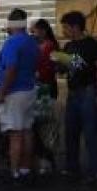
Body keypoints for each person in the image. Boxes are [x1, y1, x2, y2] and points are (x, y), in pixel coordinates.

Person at [57, 11, 97, 184]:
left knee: (90, 133)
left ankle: (95, 171)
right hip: (72, 93)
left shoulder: (93, 45)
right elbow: (64, 69)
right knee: (70, 132)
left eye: (65, 27)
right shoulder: (68, 46)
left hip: (88, 92)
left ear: (75, 27)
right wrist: (59, 62)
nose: (63, 31)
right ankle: (72, 168)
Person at [0, 8, 39, 183]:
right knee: (27, 130)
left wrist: (2, 92)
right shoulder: (31, 42)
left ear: (11, 24)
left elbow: (11, 69)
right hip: (29, 90)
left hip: (14, 93)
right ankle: (25, 168)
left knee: (15, 133)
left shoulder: (12, 43)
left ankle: (14, 172)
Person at [30, 18, 59, 174]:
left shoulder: (49, 47)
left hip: (45, 91)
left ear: (43, 31)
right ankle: (44, 159)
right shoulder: (39, 46)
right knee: (38, 127)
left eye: (33, 31)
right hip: (38, 90)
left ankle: (46, 159)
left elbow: (48, 69)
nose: (31, 34)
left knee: (43, 126)